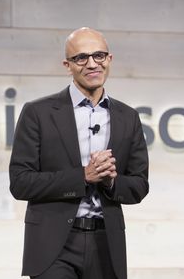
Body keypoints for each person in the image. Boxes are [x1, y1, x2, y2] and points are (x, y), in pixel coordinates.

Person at [9, 27, 149, 279]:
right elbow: (20, 183)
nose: (92, 64)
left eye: (99, 56)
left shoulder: (128, 117)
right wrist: (83, 176)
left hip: (106, 242)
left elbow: (139, 185)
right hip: (53, 246)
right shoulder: (38, 113)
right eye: (81, 57)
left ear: (109, 59)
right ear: (68, 65)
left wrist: (111, 181)